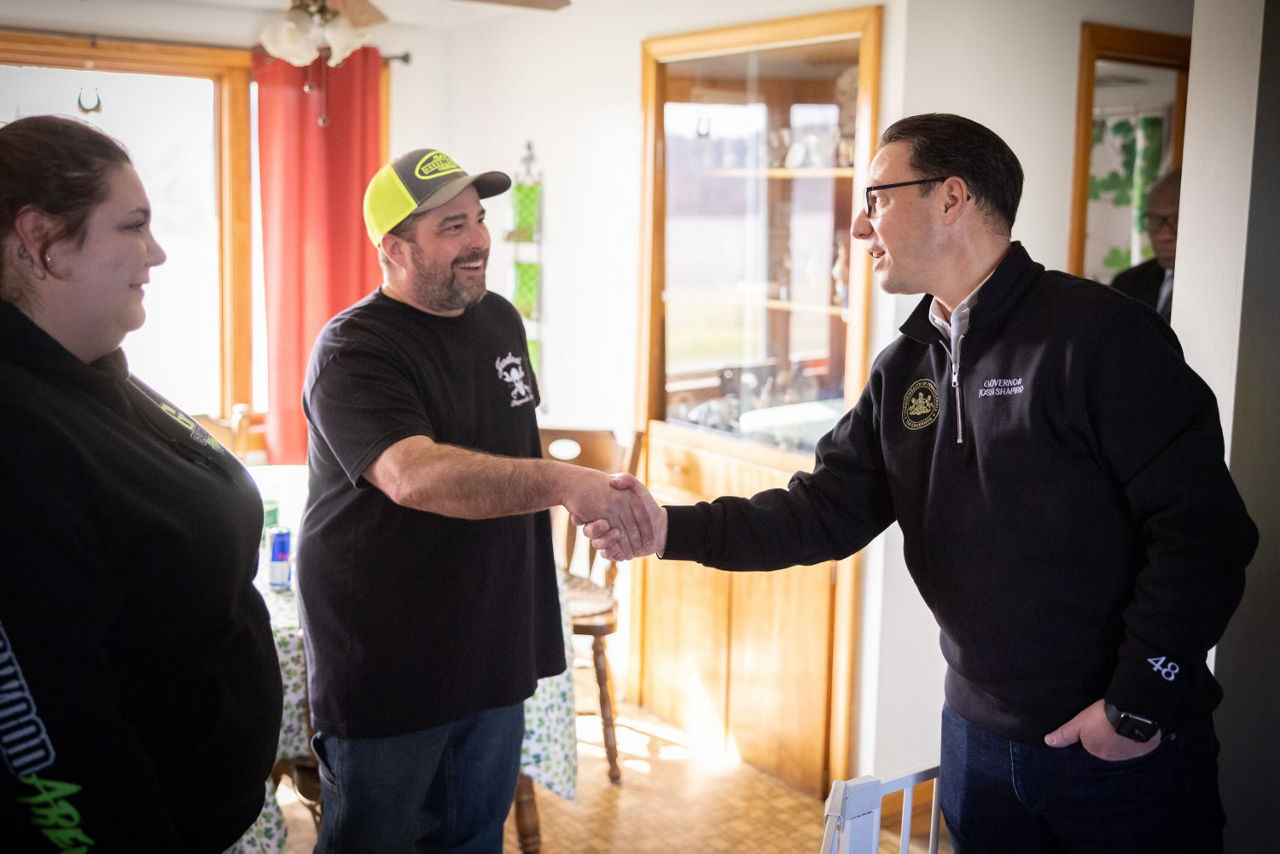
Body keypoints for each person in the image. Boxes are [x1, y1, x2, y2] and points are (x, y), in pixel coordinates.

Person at [591, 114, 1256, 852]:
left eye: (876, 197)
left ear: (951, 198)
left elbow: (1203, 534)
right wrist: (669, 530)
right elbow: (821, 513)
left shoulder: (1099, 336)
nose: (858, 226)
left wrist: (1136, 707)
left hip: (1117, 748)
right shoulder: (906, 366)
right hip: (976, 738)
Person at [297, 146, 658, 852]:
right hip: (389, 659)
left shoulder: (498, 319)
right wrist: (563, 482)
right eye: (452, 227)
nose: (480, 241)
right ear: (395, 249)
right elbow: (414, 476)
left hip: (490, 645)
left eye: (480, 220)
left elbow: (502, 441)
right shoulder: (354, 349)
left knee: (473, 838)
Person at [0, 115, 283, 849]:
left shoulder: (97, 373)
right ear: (40, 241)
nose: (156, 253)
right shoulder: (16, 432)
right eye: (133, 226)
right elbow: (48, 724)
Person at [1111, 168, 1180, 322]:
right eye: (1155, 221)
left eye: (1175, 220)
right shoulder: (1127, 285)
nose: (1164, 236)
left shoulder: (1219, 285)